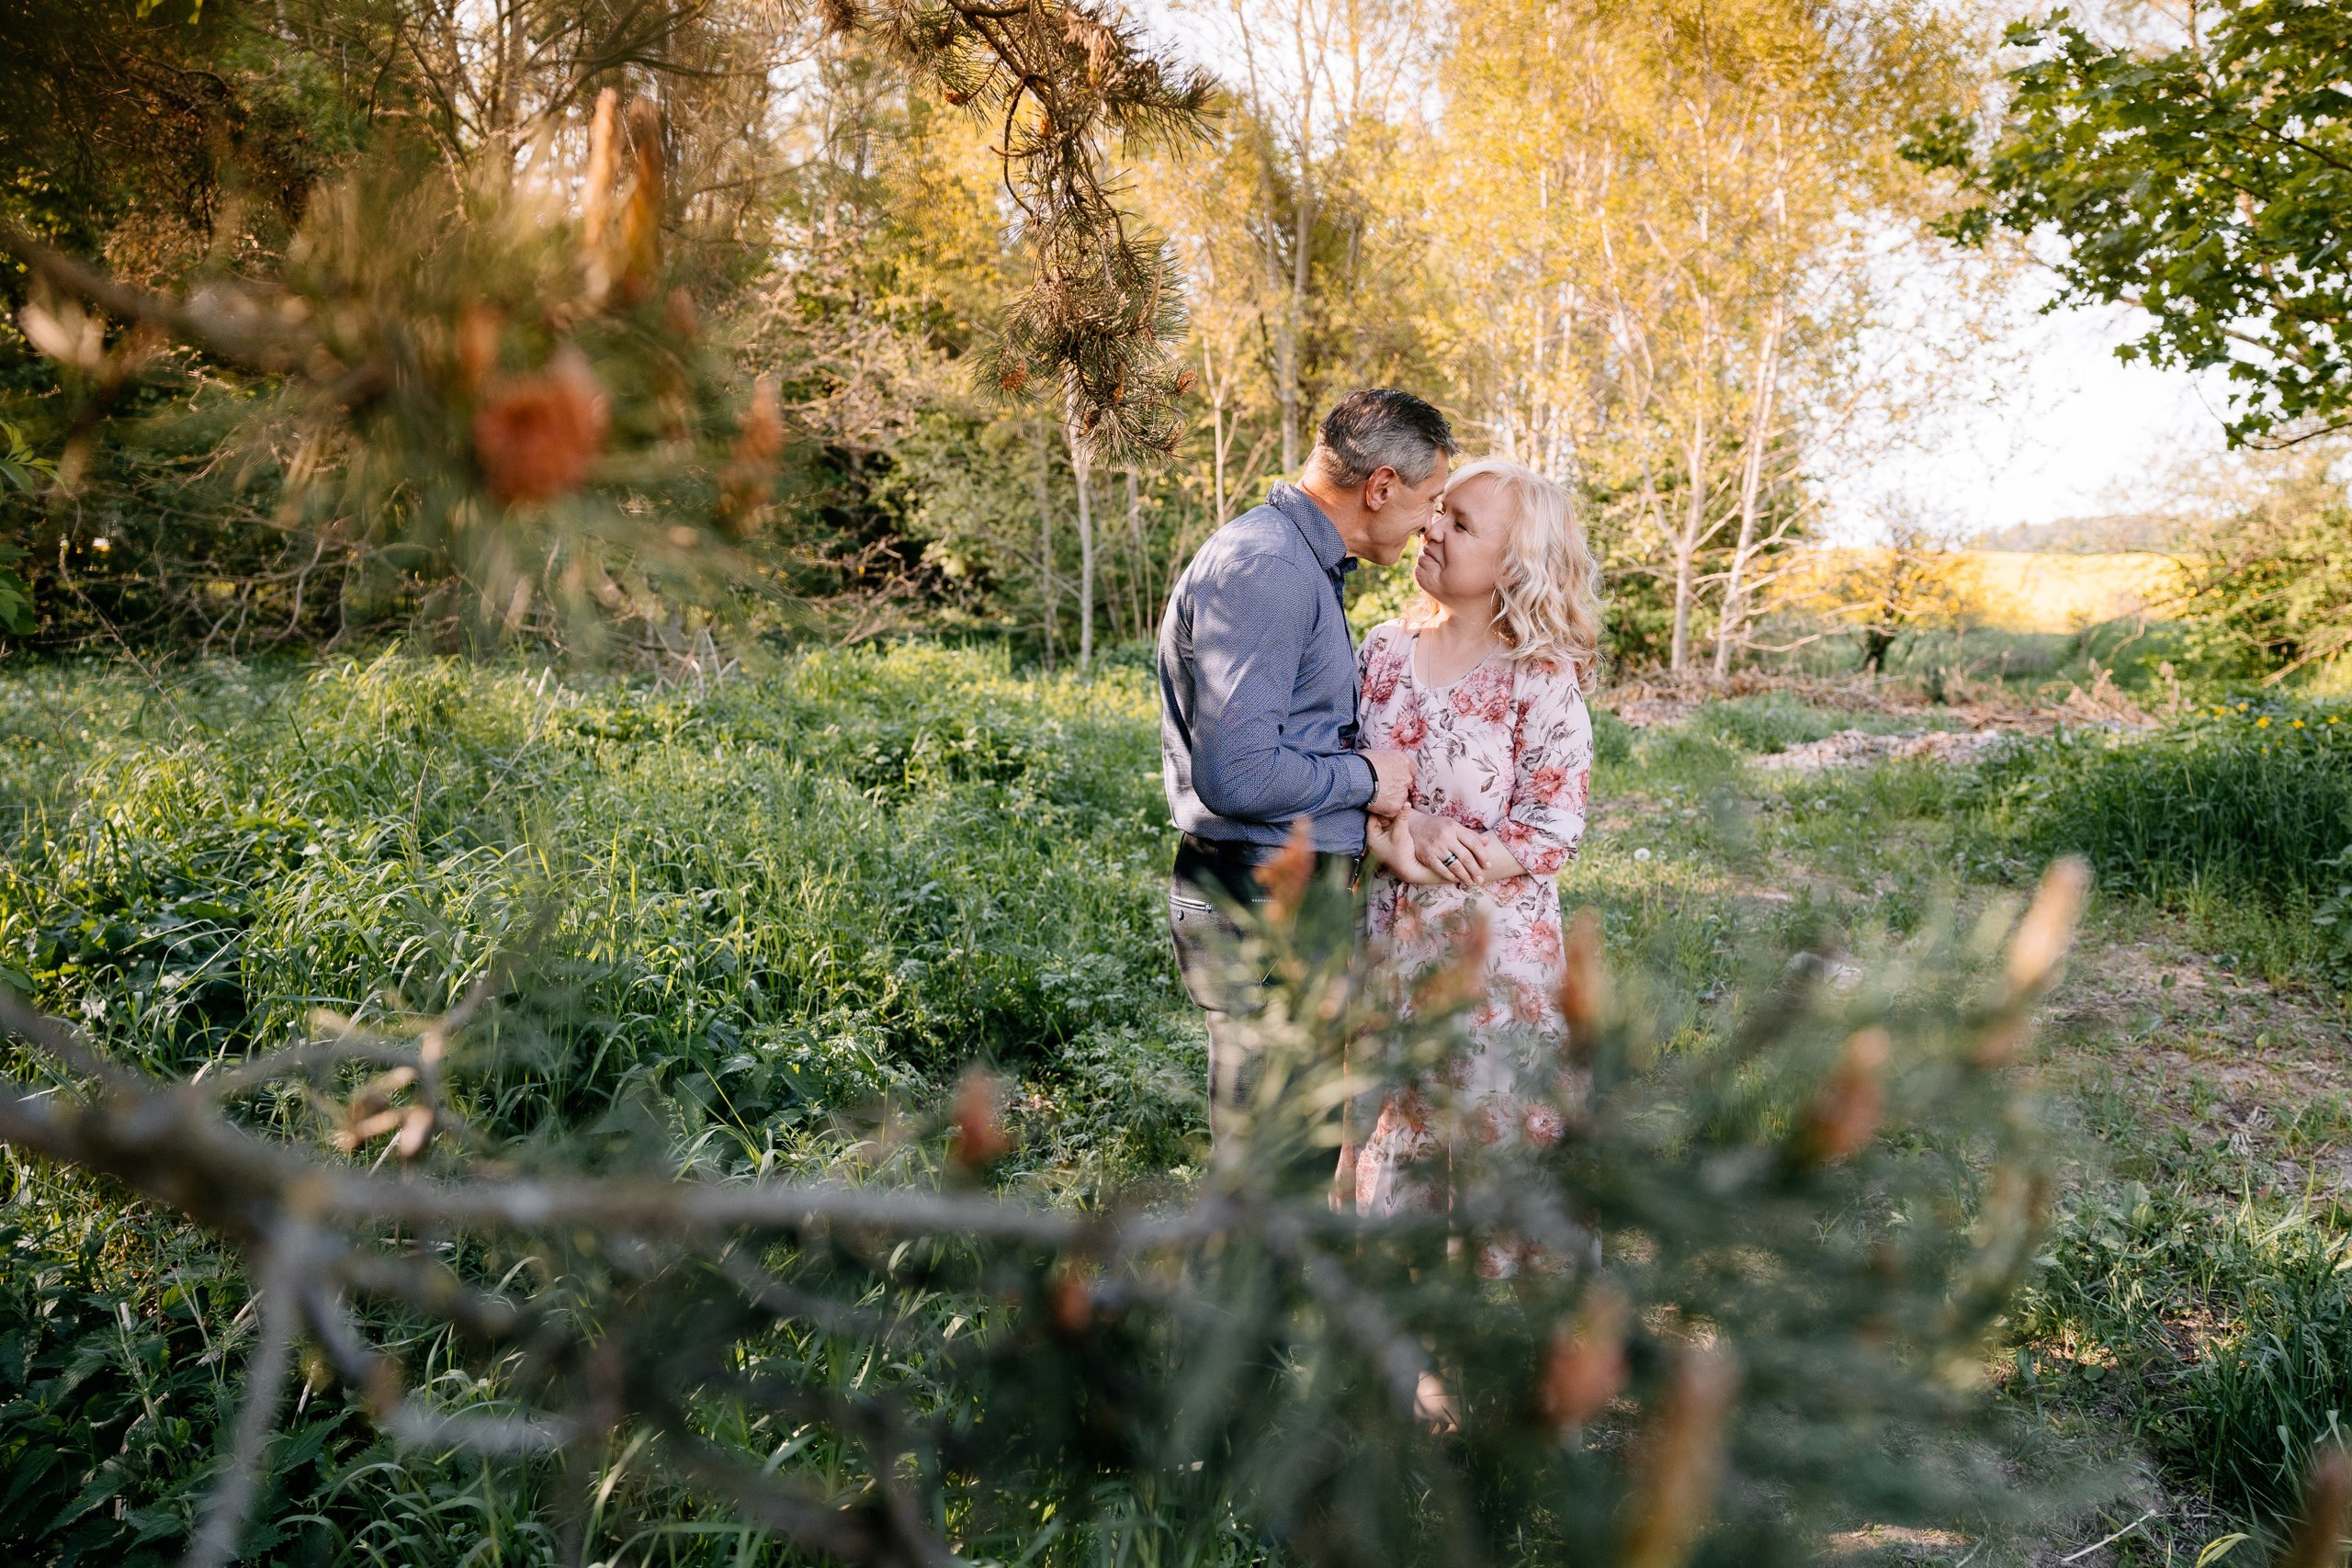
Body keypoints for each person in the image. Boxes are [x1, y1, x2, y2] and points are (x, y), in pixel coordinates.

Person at [1159, 389, 1456, 1134]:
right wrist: (1367, 777)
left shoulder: (1298, 562)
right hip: (1263, 899)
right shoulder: (1271, 568)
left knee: (1285, 1156)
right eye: (1431, 500)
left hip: (1279, 894)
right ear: (1380, 486)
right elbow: (1238, 774)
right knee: (1272, 1162)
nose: (1431, 524)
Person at [1342, 456, 1600, 1269]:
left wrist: (1432, 862)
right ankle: (1420, 1375)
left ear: (1514, 564)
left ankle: (1542, 1361)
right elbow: (1348, 779)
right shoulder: (1382, 652)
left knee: (1500, 1161)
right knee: (1402, 1139)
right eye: (1438, 512)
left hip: (1499, 970)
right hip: (1392, 951)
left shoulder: (1540, 677)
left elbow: (1551, 828)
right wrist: (1399, 833)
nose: (1431, 528)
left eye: (1460, 523)